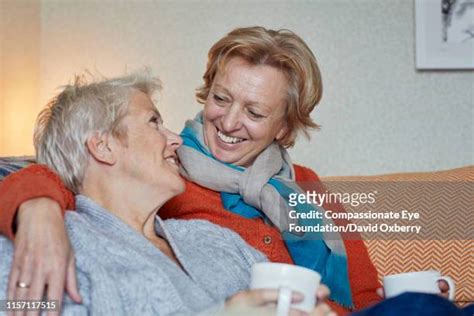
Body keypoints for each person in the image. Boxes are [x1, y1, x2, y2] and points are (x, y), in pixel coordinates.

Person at [0, 26, 381, 315]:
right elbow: (70, 178)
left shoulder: (228, 233)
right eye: (220, 98)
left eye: (254, 112)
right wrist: (36, 208)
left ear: (283, 127)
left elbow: (361, 297)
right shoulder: (166, 174)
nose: (229, 122)